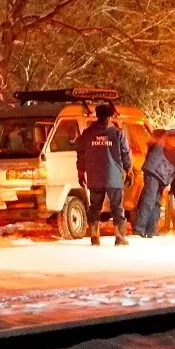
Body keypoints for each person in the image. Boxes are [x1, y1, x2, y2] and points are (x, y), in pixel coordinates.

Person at [74, 102, 131, 245]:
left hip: (95, 176)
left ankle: (94, 235)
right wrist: (129, 170)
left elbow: (81, 153)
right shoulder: (117, 133)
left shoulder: (87, 134)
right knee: (117, 207)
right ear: (110, 116)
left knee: (95, 207)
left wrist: (81, 172)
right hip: (114, 177)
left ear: (96, 115)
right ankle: (119, 237)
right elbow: (125, 153)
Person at [134, 129, 175, 236]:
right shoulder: (162, 146)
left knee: (156, 202)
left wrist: (167, 182)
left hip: (161, 176)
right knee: (149, 199)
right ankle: (139, 228)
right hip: (154, 173)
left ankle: (151, 229)